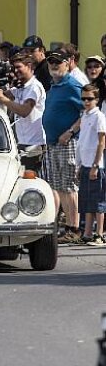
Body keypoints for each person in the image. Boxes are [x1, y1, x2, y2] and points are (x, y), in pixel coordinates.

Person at [41, 48, 84, 243]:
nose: (54, 65)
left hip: (68, 142)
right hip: (52, 143)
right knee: (58, 187)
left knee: (69, 187)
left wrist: (70, 132)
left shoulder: (73, 85)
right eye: (51, 61)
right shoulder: (54, 85)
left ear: (68, 63)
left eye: (58, 61)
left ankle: (74, 228)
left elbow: (87, 113)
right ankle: (67, 227)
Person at [0, 53, 46, 172]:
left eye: (19, 67)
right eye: (14, 68)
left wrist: (2, 98)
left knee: (30, 179)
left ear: (29, 66)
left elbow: (24, 111)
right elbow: (7, 94)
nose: (16, 71)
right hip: (23, 141)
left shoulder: (34, 87)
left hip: (34, 144)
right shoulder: (22, 86)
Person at [75, 84, 106, 245]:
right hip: (85, 164)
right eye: (84, 98)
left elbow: (102, 142)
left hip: (96, 166)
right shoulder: (85, 116)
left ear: (97, 99)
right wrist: (79, 165)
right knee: (86, 201)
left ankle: (99, 234)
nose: (86, 102)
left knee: (98, 202)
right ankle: (87, 233)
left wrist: (95, 165)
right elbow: (81, 143)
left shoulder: (98, 116)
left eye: (90, 99)